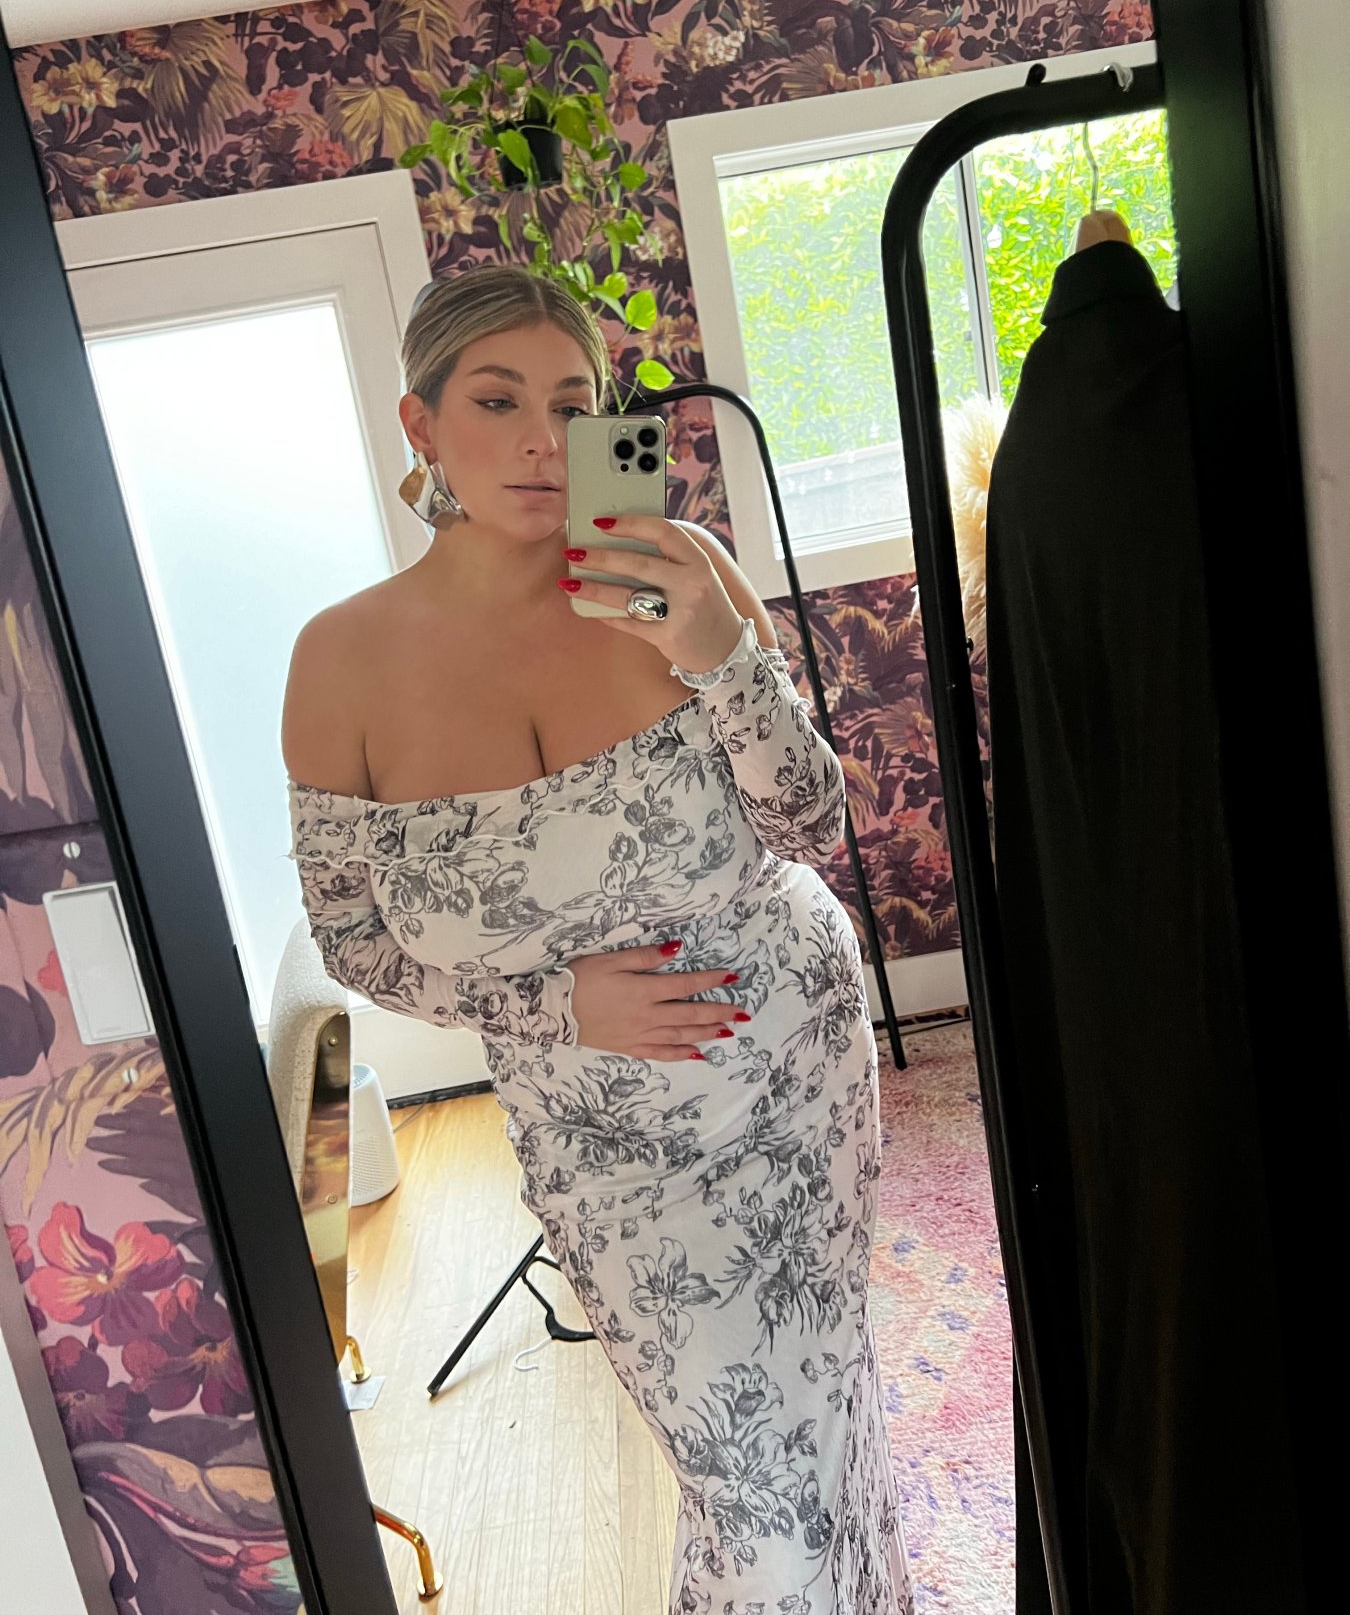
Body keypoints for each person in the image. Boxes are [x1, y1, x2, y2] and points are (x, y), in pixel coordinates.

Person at [283, 263, 911, 1613]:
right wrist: (562, 1006)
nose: (538, 440)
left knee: (817, 1409)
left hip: (791, 1063)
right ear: (421, 424)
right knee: (748, 1478)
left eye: (571, 406)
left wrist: (718, 652)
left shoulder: (681, 574)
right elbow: (356, 946)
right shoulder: (341, 662)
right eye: (495, 400)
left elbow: (810, 823)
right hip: (601, 1139)